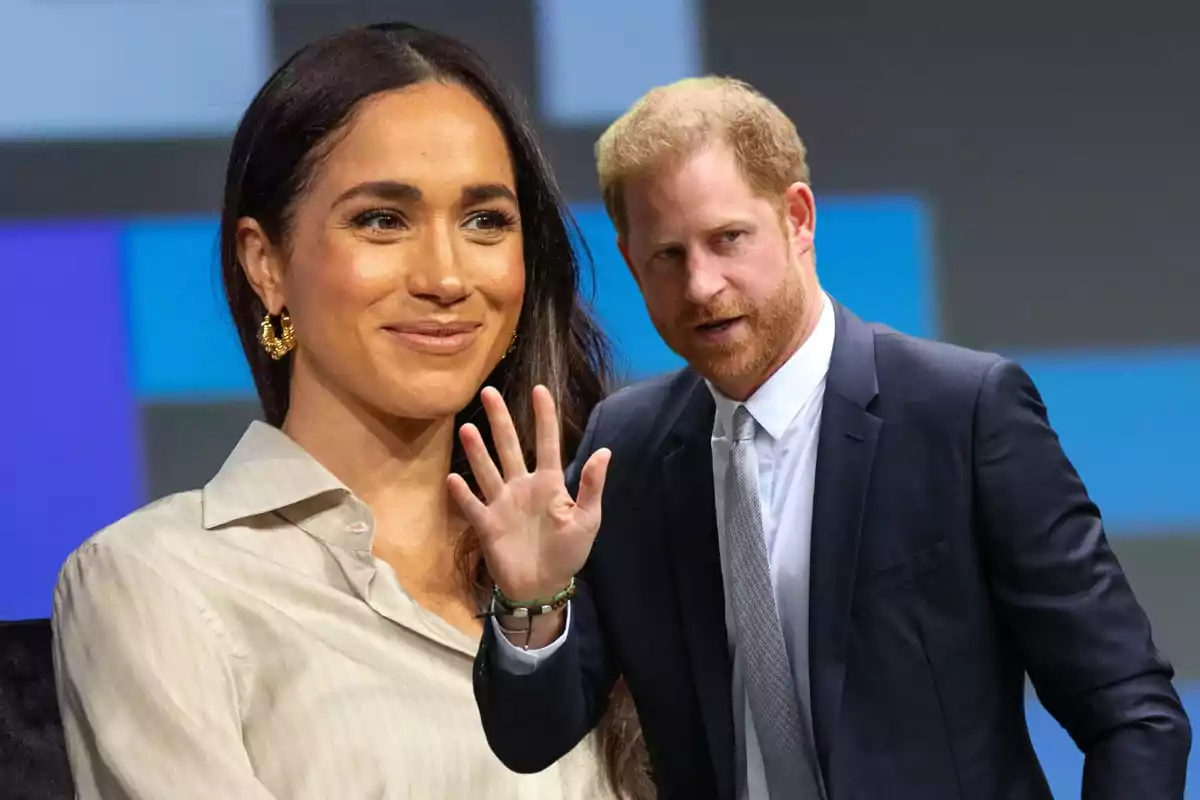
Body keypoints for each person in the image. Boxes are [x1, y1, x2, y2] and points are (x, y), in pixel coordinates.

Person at [459, 77, 1192, 798]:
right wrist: (534, 602)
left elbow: (1133, 712)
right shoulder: (628, 449)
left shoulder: (961, 413)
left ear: (798, 219)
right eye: (668, 256)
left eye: (728, 239)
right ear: (630, 262)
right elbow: (531, 739)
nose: (702, 286)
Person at [51, 23, 652, 800]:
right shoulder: (154, 583)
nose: (444, 276)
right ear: (266, 263)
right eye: (382, 220)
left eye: (485, 222)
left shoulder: (599, 570)